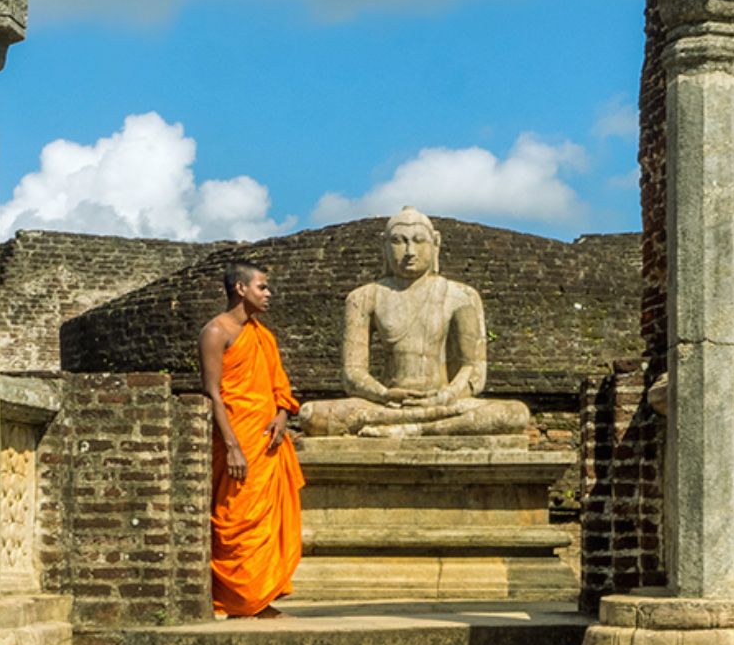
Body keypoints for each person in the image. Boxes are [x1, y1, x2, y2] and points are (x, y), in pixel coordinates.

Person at [295, 206, 530, 438]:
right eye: (398, 241)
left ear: (435, 243)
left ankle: (416, 429)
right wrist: (385, 394)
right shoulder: (364, 297)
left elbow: (473, 370)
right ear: (384, 246)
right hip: (388, 406)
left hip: (443, 404)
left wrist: (444, 396)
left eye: (419, 241)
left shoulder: (461, 296)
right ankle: (412, 425)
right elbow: (353, 373)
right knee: (311, 415)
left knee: (514, 414)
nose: (409, 251)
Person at [201, 261, 304, 618]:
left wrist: (281, 413)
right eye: (262, 286)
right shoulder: (217, 331)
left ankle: (258, 599)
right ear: (240, 289)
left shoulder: (264, 336)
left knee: (265, 522)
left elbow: (279, 387)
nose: (268, 293)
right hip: (238, 438)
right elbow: (213, 393)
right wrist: (231, 446)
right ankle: (239, 599)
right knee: (236, 519)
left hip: (266, 442)